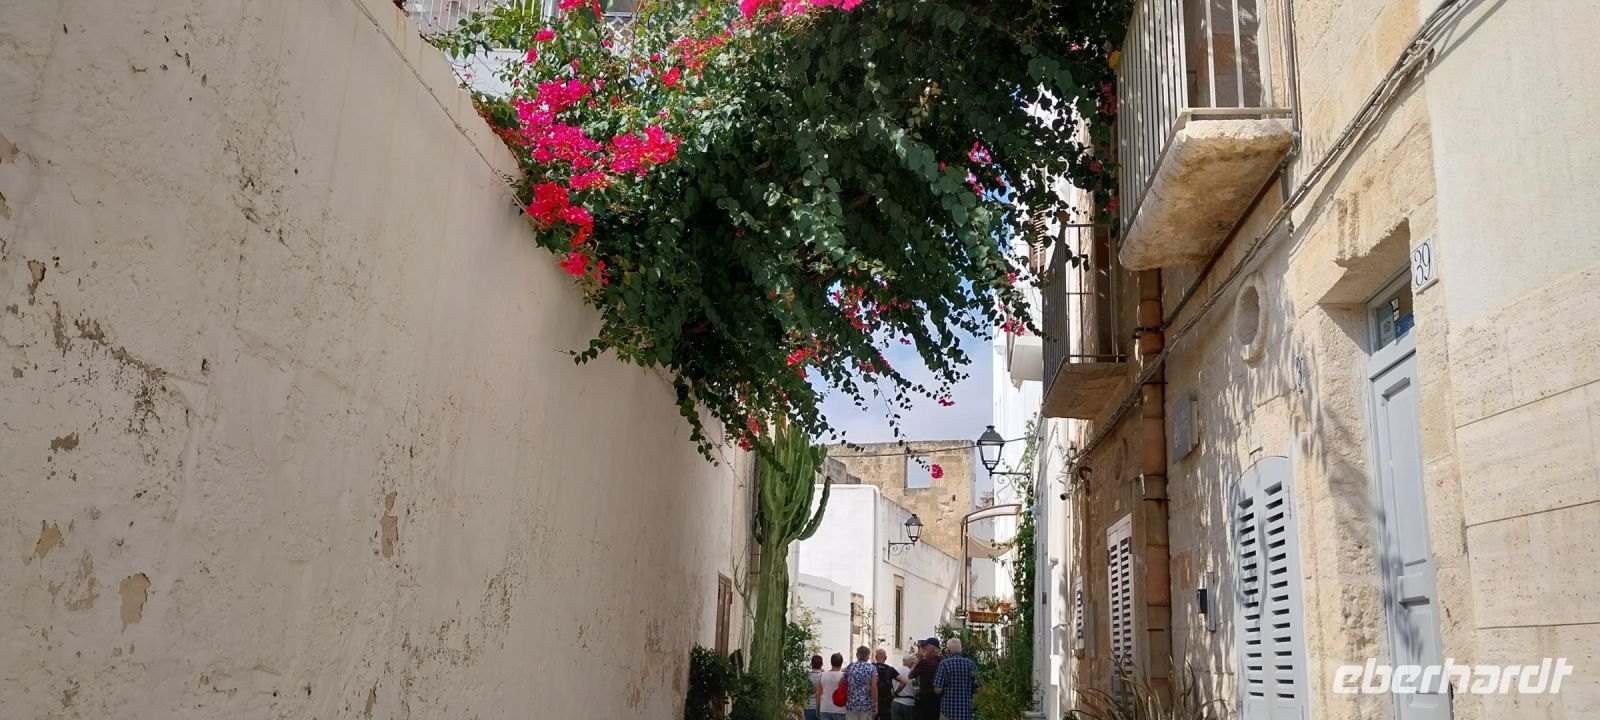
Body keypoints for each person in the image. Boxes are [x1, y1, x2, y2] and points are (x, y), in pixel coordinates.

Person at [932, 637, 979, 720]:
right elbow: (979, 688)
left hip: (948, 712)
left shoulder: (944, 664)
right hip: (966, 712)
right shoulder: (971, 664)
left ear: (948, 650)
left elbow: (937, 690)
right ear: (961, 649)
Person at [908, 638, 942, 720]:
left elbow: (910, 675)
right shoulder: (942, 662)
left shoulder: (924, 662)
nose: (924, 649)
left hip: (925, 699)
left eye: (925, 647)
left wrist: (918, 659)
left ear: (931, 649)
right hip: (938, 699)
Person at [843, 646, 880, 720]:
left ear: (857, 655)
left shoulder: (850, 667)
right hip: (866, 705)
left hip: (851, 705)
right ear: (868, 656)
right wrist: (876, 704)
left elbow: (842, 682)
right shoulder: (871, 668)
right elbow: (873, 686)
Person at [872, 648, 901, 720]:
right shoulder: (890, 669)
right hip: (887, 701)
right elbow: (903, 682)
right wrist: (895, 694)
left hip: (873, 700)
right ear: (886, 658)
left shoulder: (871, 667)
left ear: (875, 657)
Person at [815, 653, 847, 720]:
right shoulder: (844, 676)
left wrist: (817, 708)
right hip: (840, 710)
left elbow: (818, 693)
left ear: (831, 662)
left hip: (825, 708)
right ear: (841, 663)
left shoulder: (822, 675)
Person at [892, 653, 918, 720]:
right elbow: (916, 690)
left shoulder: (896, 671)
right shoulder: (912, 674)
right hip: (908, 703)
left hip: (896, 702)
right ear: (911, 663)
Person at [805, 654, 825, 720]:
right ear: (821, 664)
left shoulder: (806, 677)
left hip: (808, 707)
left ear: (812, 664)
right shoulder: (824, 676)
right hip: (822, 708)